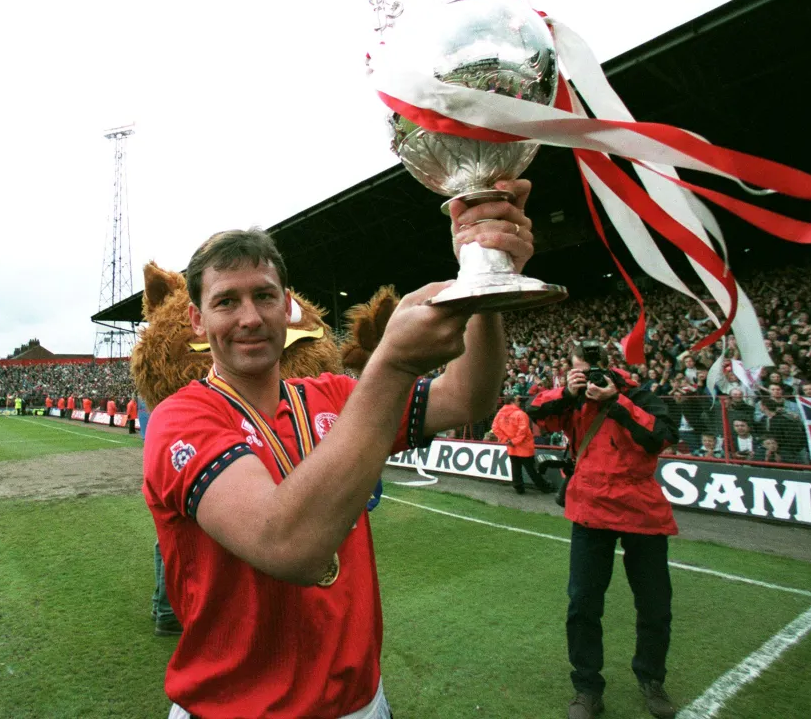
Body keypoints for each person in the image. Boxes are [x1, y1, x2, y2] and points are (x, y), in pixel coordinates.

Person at [143, 180, 533, 719]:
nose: (250, 317)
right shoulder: (181, 418)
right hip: (234, 710)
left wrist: (482, 277)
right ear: (197, 320)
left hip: (359, 704)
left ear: (288, 308)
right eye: (226, 301)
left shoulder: (336, 395)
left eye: (263, 295)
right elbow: (290, 547)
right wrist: (392, 364)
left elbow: (468, 395)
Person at [529, 348, 679, 719]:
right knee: (582, 604)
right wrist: (565, 391)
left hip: (641, 509)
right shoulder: (574, 400)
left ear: (614, 371)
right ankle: (587, 687)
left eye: (594, 372)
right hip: (590, 509)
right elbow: (534, 413)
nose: (589, 378)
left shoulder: (640, 397)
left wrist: (615, 401)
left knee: (655, 604)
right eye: (581, 371)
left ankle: (651, 679)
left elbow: (659, 438)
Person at [491, 395, 553, 494]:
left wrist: (507, 440)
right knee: (532, 469)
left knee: (515, 468)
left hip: (511, 446)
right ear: (512, 401)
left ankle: (518, 487)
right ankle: (544, 487)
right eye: (517, 400)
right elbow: (523, 431)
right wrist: (514, 441)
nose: (519, 402)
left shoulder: (500, 414)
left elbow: (495, 428)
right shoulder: (520, 414)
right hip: (524, 447)